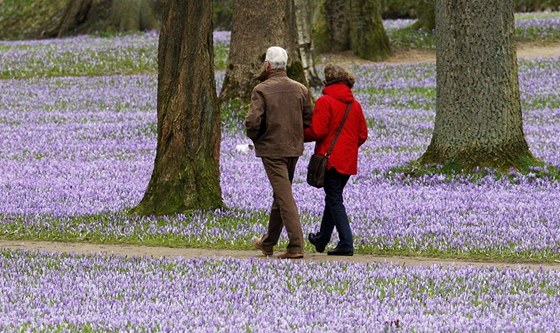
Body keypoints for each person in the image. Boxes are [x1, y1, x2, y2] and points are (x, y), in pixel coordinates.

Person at [245, 46, 313, 259]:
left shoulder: (261, 90)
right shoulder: (300, 89)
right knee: (281, 194)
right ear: (285, 65)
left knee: (284, 196)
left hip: (272, 150)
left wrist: (257, 138)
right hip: (293, 149)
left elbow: (252, 122)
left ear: (267, 65)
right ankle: (268, 243)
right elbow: (309, 118)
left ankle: (295, 246)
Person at [304, 64, 368, 256]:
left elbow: (318, 130)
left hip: (329, 159)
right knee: (333, 199)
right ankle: (322, 239)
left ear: (327, 82)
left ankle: (346, 243)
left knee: (334, 200)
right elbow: (362, 134)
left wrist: (299, 134)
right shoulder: (354, 104)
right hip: (347, 162)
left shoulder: (325, 101)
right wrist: (348, 148)